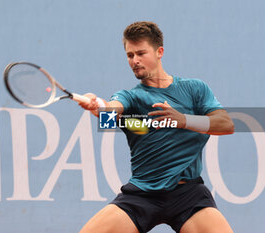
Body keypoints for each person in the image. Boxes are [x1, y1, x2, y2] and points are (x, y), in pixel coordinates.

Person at [79, 21, 235, 233]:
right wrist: (96, 105)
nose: (134, 60)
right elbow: (110, 113)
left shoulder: (194, 89)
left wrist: (184, 120)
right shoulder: (131, 97)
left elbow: (226, 125)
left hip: (188, 194)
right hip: (142, 195)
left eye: (141, 53)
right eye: (130, 55)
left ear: (159, 51)